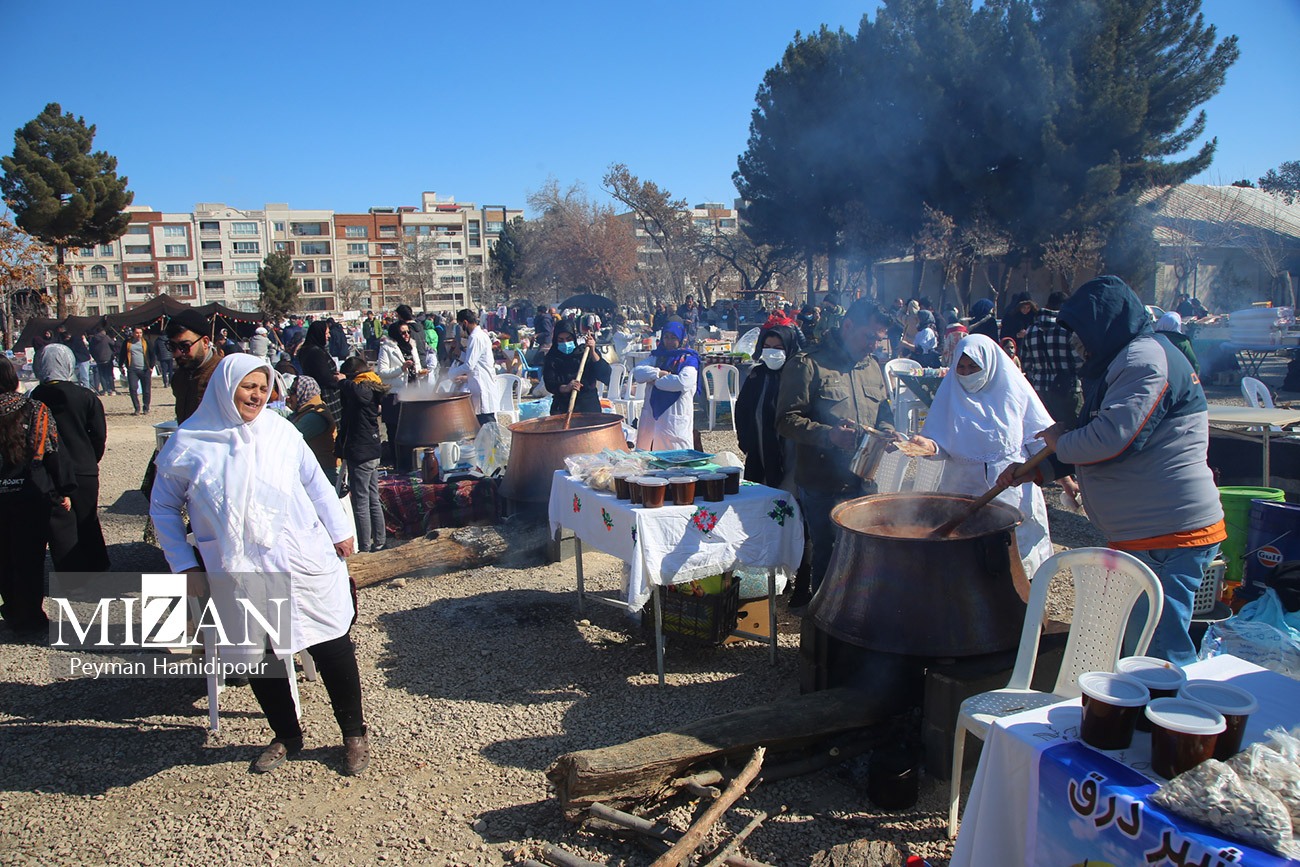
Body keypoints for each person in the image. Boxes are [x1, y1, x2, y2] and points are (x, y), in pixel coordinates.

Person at [150, 353, 369, 776]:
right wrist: (184, 565)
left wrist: (340, 530)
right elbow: (162, 508)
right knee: (258, 654)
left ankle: (353, 733)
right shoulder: (189, 441)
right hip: (239, 566)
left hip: (299, 555)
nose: (256, 394)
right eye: (247, 385)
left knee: (330, 640)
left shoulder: (280, 431)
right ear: (224, 387)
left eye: (262, 386)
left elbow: (316, 482)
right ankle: (287, 734)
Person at [998, 275, 1225, 666]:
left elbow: (1112, 439)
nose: (1077, 344)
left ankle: (1166, 723)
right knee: (1137, 644)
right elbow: (1099, 437)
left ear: (1105, 324)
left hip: (1168, 535)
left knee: (1157, 653)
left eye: (1082, 332)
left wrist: (1056, 441)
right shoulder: (1126, 360)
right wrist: (1039, 471)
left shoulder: (1145, 362)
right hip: (1148, 534)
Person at [906, 334, 1055, 581]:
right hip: (962, 488)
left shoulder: (1013, 390)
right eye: (961, 368)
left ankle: (1022, 605)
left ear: (990, 364)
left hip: (1010, 485)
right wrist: (928, 446)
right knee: (967, 557)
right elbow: (939, 442)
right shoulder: (951, 392)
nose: (967, 373)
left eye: (974, 367)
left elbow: (1041, 439)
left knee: (1014, 558)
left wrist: (1065, 479)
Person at [776, 299, 894, 608]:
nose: (873, 345)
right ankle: (825, 630)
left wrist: (888, 432)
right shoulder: (808, 363)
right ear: (847, 326)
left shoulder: (873, 367)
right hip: (822, 483)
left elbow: (884, 413)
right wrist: (828, 435)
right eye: (869, 336)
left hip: (864, 480)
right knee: (829, 562)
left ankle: (860, 621)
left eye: (878, 339)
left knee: (867, 556)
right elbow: (786, 421)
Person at [0, 355, 75, 635]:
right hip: (30, 491)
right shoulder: (34, 409)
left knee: (3, 557)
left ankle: (12, 608)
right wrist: (64, 488)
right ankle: (30, 613)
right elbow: (52, 451)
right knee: (30, 557)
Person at [32, 344, 110, 574]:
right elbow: (98, 434)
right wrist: (91, 458)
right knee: (87, 518)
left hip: (48, 469)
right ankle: (97, 563)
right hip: (83, 466)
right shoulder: (85, 396)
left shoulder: (35, 397)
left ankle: (70, 571)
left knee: (60, 523)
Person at [735, 324, 799, 489]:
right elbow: (742, 409)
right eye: (767, 347)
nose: (772, 352)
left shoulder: (797, 376)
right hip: (759, 449)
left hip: (791, 456)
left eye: (778, 348)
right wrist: (746, 441)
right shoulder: (757, 375)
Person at [337, 357, 388, 554]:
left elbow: (359, 395)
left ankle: (366, 547)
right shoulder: (371, 384)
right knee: (372, 497)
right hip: (371, 450)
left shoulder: (362, 387)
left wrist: (343, 381)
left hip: (362, 451)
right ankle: (380, 542)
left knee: (361, 501)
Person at [632, 321, 698, 450]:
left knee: (676, 459)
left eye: (673, 338)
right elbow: (638, 372)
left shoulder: (689, 359)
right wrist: (658, 372)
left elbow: (681, 383)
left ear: (681, 339)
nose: (669, 341)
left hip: (675, 416)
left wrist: (654, 380)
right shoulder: (657, 357)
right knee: (648, 459)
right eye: (666, 337)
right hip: (651, 414)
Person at [167, 309, 224, 424]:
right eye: (172, 346)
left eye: (185, 346)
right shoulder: (179, 377)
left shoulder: (223, 373)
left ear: (205, 342)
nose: (178, 353)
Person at [447, 309, 502, 426]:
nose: (462, 329)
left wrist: (452, 373)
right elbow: (474, 359)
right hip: (480, 382)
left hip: (482, 384)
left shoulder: (475, 337)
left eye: (461, 325)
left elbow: (469, 365)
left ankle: (495, 444)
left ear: (465, 323)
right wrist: (459, 354)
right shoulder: (480, 335)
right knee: (483, 422)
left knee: (487, 422)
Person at [542, 322, 610, 416]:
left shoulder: (584, 352)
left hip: (588, 406)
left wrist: (593, 351)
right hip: (562, 406)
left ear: (574, 338)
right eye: (561, 340)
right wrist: (566, 388)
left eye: (568, 339)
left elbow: (605, 375)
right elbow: (550, 384)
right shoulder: (552, 357)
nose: (565, 343)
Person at [286, 376, 338, 485]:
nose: (289, 396)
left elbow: (288, 438)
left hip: (323, 472)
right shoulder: (310, 408)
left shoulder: (314, 416)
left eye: (293, 392)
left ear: (304, 393)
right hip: (316, 470)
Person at [299, 321, 344, 424]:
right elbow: (324, 376)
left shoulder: (312, 349)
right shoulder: (314, 353)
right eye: (326, 333)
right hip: (326, 395)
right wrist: (340, 380)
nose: (329, 336)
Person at [119, 327, 153, 415]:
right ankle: (137, 408)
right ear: (133, 333)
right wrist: (120, 365)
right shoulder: (127, 343)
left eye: (140, 333)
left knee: (146, 390)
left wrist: (151, 366)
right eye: (137, 333)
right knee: (133, 389)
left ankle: (146, 407)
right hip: (132, 369)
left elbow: (152, 354)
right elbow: (122, 354)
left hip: (145, 369)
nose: (139, 335)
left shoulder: (146, 342)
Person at [89, 328, 116, 396]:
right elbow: (113, 344)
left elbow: (91, 349)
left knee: (102, 375)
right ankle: (112, 390)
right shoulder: (106, 337)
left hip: (98, 359)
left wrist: (95, 357)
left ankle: (105, 390)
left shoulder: (93, 339)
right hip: (108, 358)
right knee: (109, 374)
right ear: (103, 332)